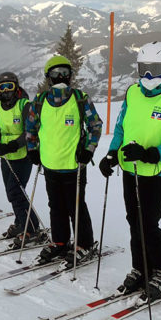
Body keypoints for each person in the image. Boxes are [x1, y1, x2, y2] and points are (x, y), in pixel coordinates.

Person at [98, 41, 161, 300]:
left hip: (159, 173)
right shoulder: (133, 92)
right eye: (143, 69)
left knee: (148, 223)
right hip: (131, 169)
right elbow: (121, 127)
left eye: (154, 69)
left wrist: (153, 153)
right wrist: (112, 154)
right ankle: (141, 267)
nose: (148, 76)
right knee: (134, 221)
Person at [25, 55, 103, 267]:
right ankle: (60, 241)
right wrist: (32, 149)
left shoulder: (79, 99)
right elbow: (30, 128)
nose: (60, 77)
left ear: (71, 75)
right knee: (55, 206)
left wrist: (89, 150)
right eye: (55, 73)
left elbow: (95, 126)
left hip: (73, 165)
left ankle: (84, 244)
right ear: (48, 77)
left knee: (76, 206)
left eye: (64, 73)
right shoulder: (40, 102)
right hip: (50, 164)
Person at [0, 72, 45, 247]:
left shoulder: (24, 105)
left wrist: (13, 144)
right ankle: (21, 223)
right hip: (6, 156)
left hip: (23, 155)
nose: (5, 91)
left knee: (15, 192)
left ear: (16, 87)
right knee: (12, 193)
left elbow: (30, 130)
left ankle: (32, 229)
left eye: (9, 86)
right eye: (1, 87)